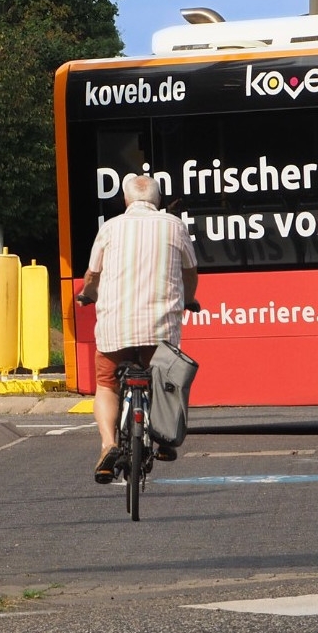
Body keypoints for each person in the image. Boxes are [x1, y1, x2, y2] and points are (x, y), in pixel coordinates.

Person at [75, 172, 198, 484]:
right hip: (160, 334)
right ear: (156, 201)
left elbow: (92, 276)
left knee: (105, 384)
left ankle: (108, 445)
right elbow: (190, 272)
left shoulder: (110, 228)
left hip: (115, 331)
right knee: (165, 379)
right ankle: (166, 438)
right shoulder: (174, 226)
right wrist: (190, 298)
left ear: (126, 200)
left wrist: (87, 295)